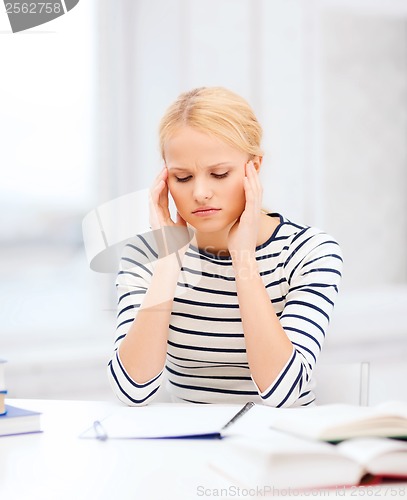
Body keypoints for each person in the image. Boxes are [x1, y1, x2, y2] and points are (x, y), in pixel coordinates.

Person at [108, 86, 343, 407]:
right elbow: (132, 391)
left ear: (254, 168)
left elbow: (284, 393)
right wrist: (168, 261)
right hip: (185, 451)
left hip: (277, 449)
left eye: (219, 174)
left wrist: (243, 258)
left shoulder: (310, 252)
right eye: (183, 177)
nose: (201, 192)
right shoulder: (145, 255)